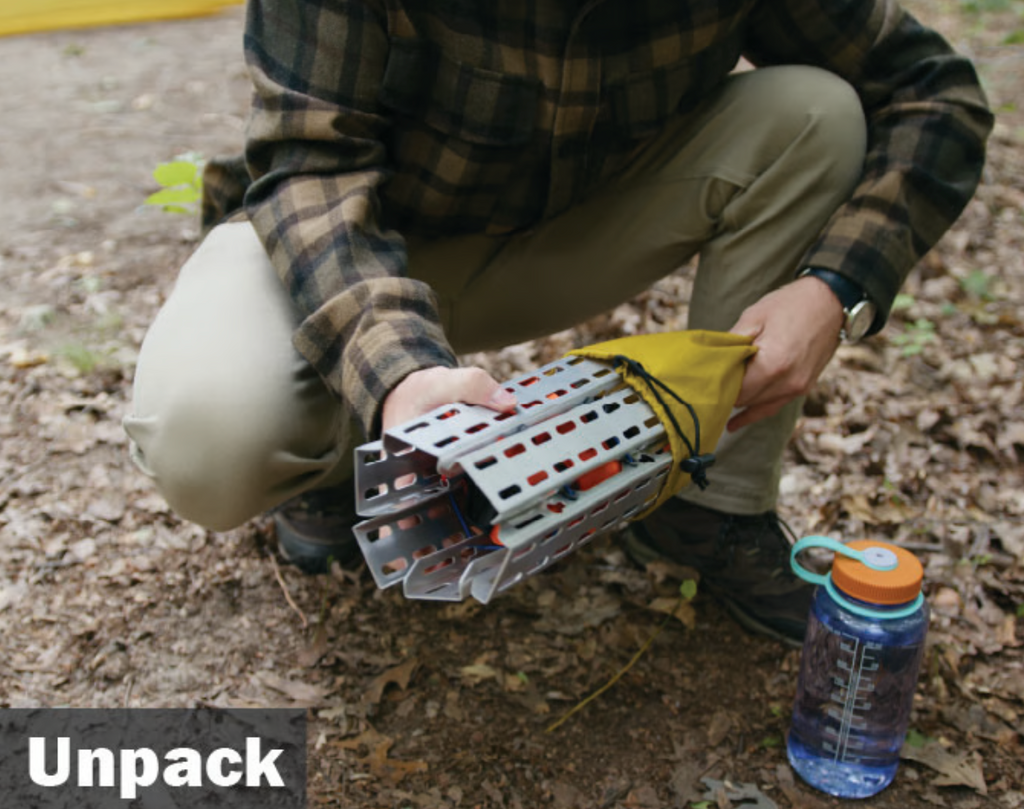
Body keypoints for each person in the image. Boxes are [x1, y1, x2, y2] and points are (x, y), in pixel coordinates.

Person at [124, 0, 991, 645]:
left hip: (569, 228)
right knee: (208, 432)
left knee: (818, 115)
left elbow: (934, 93)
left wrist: (835, 289)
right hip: (350, 242)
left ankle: (711, 504)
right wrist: (399, 371)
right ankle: (336, 450)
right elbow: (312, 163)